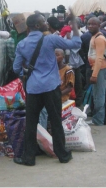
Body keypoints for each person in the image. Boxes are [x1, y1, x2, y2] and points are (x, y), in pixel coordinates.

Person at [13, 13, 80, 166]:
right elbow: (76, 44)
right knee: (56, 121)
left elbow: (16, 68)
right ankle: (62, 155)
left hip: (33, 89)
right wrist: (74, 25)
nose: (46, 23)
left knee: (31, 123)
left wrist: (29, 73)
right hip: (51, 87)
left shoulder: (22, 44)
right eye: (43, 21)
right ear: (37, 25)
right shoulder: (50, 39)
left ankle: (29, 158)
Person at [87, 17, 106, 125]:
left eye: (93, 24)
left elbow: (99, 58)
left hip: (101, 70)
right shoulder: (95, 36)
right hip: (101, 69)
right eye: (88, 24)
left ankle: (98, 120)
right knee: (105, 95)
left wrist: (94, 74)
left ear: (99, 26)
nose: (90, 26)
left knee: (99, 96)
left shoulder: (99, 39)